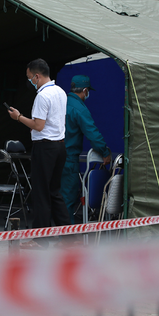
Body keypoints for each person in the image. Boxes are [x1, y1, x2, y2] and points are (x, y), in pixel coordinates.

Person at [7, 58, 69, 249]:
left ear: (37, 76)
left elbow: (38, 125)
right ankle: (70, 237)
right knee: (54, 192)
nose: (29, 82)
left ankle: (40, 239)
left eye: (29, 78)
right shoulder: (60, 91)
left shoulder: (42, 96)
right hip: (59, 146)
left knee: (41, 193)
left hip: (45, 147)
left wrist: (18, 117)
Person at [62, 75, 111, 224]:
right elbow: (92, 134)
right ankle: (66, 234)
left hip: (52, 155)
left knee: (53, 196)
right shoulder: (79, 109)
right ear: (84, 90)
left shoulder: (61, 102)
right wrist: (105, 152)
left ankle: (46, 231)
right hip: (69, 159)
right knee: (68, 198)